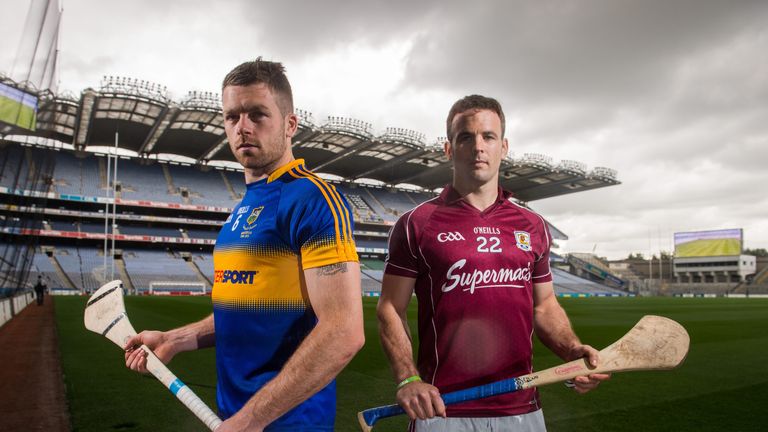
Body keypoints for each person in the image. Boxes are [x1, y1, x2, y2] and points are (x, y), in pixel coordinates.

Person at [124, 59, 364, 432]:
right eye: (232, 117)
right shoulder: (242, 210)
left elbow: (343, 331)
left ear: (290, 124)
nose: (243, 127)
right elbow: (245, 313)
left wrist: (251, 420)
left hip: (287, 425)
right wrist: (175, 339)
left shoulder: (313, 199)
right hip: (234, 420)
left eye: (257, 114)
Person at [377, 95, 610, 431]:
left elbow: (545, 306)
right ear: (449, 149)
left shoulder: (533, 225)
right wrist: (407, 378)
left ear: (504, 147)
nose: (478, 147)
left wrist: (572, 351)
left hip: (522, 410)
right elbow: (390, 308)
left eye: (488, 136)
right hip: (442, 410)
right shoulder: (416, 223)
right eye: (465, 137)